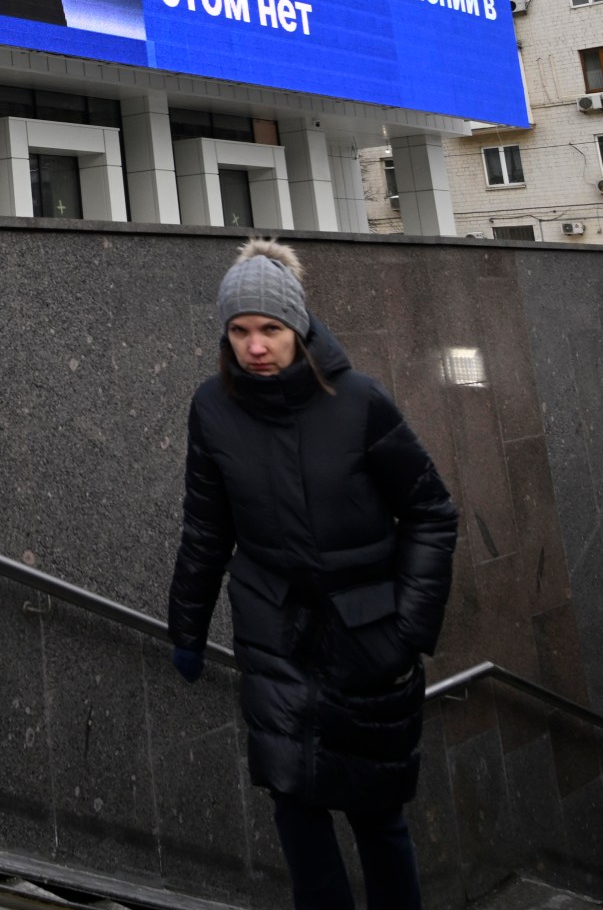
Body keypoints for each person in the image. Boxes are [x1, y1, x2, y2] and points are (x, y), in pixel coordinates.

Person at [166, 239, 459, 910]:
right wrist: (186, 626)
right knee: (295, 807)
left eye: (269, 328)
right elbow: (207, 531)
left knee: (377, 815)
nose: (255, 345)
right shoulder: (212, 408)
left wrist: (409, 629)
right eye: (239, 331)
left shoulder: (360, 401)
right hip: (275, 639)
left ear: (298, 327)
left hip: (369, 639)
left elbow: (430, 512)